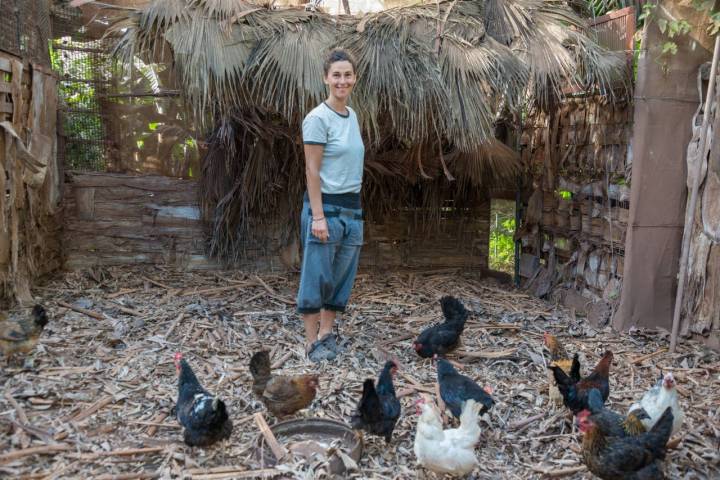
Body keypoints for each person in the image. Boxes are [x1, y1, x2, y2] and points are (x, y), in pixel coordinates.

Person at [297, 49, 365, 362]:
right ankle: (311, 343)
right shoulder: (317, 119)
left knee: (340, 279)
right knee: (316, 277)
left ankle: (327, 335)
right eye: (336, 75)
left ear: (354, 78)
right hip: (326, 211)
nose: (342, 80)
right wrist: (318, 216)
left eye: (347, 74)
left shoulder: (352, 116)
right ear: (326, 78)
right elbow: (312, 171)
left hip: (352, 212)